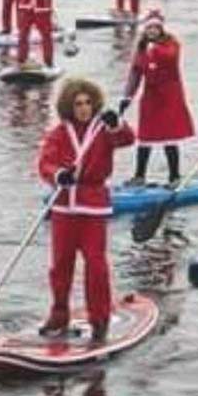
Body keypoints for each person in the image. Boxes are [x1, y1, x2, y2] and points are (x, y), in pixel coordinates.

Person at [36, 78, 135, 341]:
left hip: (93, 207)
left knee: (96, 265)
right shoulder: (58, 133)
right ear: (69, 106)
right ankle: (59, 315)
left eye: (88, 103)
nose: (83, 108)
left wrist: (116, 124)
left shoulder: (102, 130)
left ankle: (100, 319)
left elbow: (127, 139)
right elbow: (45, 163)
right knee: (60, 265)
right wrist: (58, 175)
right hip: (64, 208)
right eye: (78, 104)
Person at [120, 10, 195, 186]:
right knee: (144, 138)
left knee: (169, 137)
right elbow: (136, 74)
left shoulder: (171, 44)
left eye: (155, 28)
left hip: (169, 98)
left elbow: (170, 57)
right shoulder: (142, 48)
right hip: (150, 98)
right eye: (149, 28)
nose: (152, 31)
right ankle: (139, 176)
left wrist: (153, 50)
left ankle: (175, 177)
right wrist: (126, 97)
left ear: (161, 29)